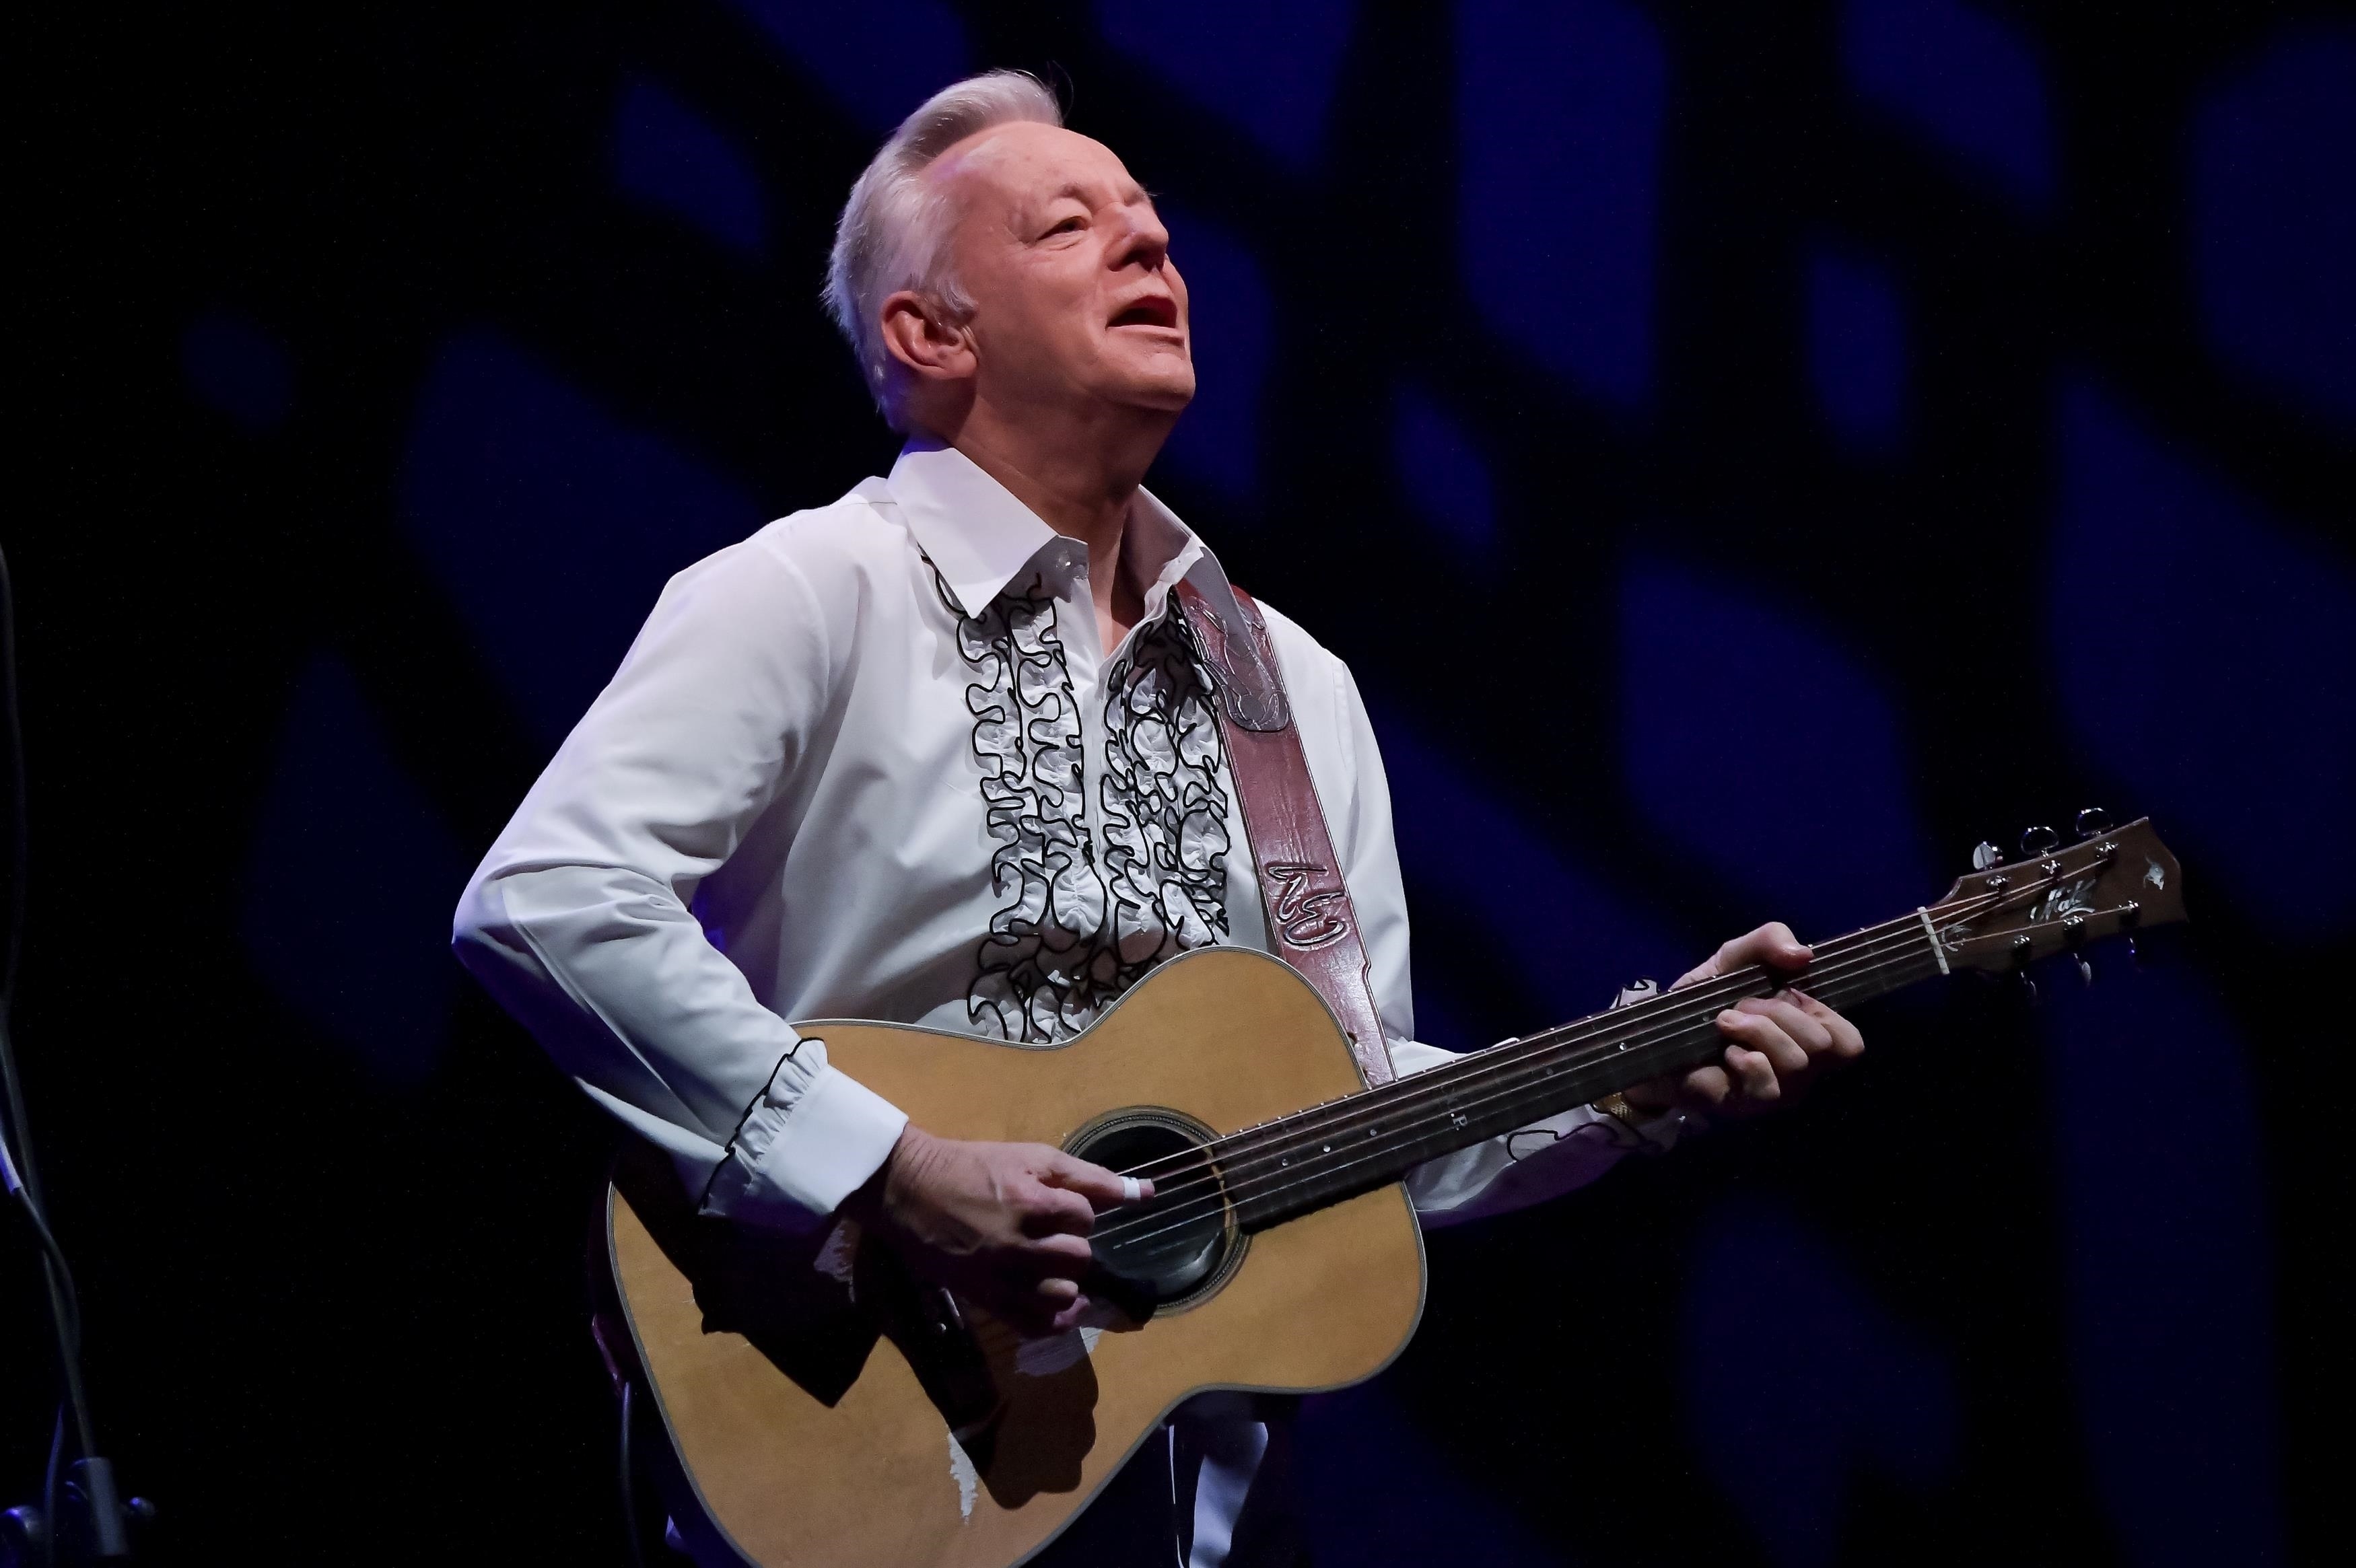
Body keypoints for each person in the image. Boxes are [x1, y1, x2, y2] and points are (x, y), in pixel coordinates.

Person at [451, 69, 1864, 1568]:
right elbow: (548, 899)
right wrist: (895, 1167)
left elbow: (1357, 1107)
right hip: (848, 1429)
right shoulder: (811, 591)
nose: (1153, 252)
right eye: (1072, 227)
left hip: (1170, 1501)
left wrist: (1634, 1078)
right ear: (928, 334)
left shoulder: (1293, 684)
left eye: (1156, 228)